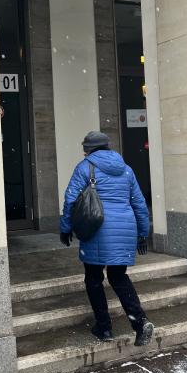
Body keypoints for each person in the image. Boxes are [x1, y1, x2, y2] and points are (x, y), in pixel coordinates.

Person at [59, 131, 153, 346]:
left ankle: (104, 327)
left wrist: (66, 228)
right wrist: (141, 234)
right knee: (119, 277)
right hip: (125, 229)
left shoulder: (85, 167)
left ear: (88, 149)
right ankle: (140, 323)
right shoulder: (126, 170)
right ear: (107, 146)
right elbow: (139, 203)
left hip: (97, 228)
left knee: (93, 278)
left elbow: (70, 200)